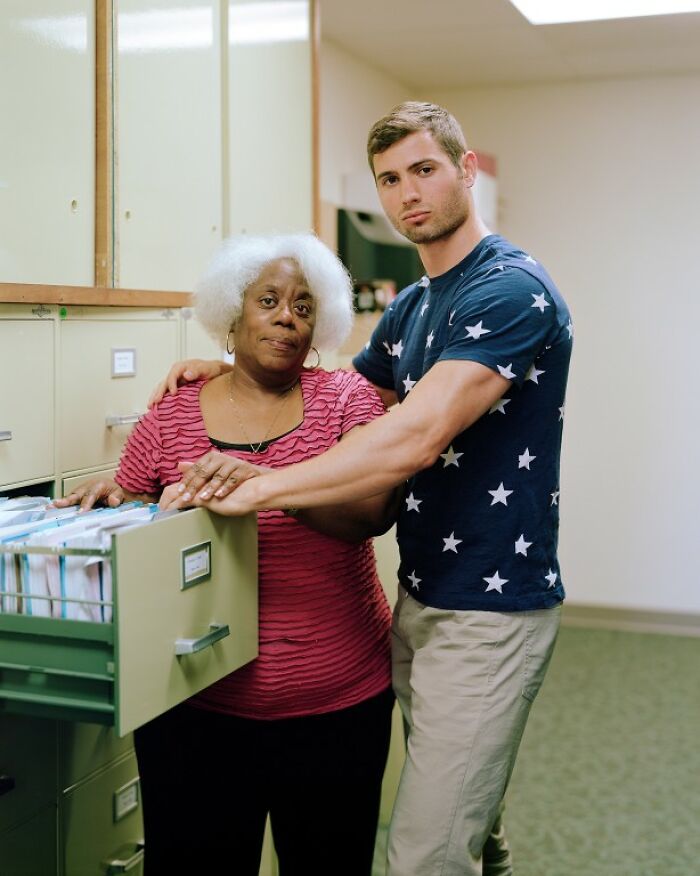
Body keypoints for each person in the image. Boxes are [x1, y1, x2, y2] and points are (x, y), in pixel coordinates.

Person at [157, 102, 573, 876]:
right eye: (390, 179)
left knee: (422, 854)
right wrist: (242, 372)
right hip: (425, 591)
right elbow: (341, 396)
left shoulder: (511, 290)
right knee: (457, 815)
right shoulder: (414, 306)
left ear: (465, 170)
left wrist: (264, 485)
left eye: (424, 170)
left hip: (492, 607)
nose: (408, 193)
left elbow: (413, 434)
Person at [55, 233, 399, 875]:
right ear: (231, 316)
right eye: (268, 300)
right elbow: (132, 512)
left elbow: (370, 515)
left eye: (303, 305)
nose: (287, 317)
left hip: (336, 706)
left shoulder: (346, 401)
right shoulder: (171, 415)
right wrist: (113, 501)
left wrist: (263, 487)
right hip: (194, 709)